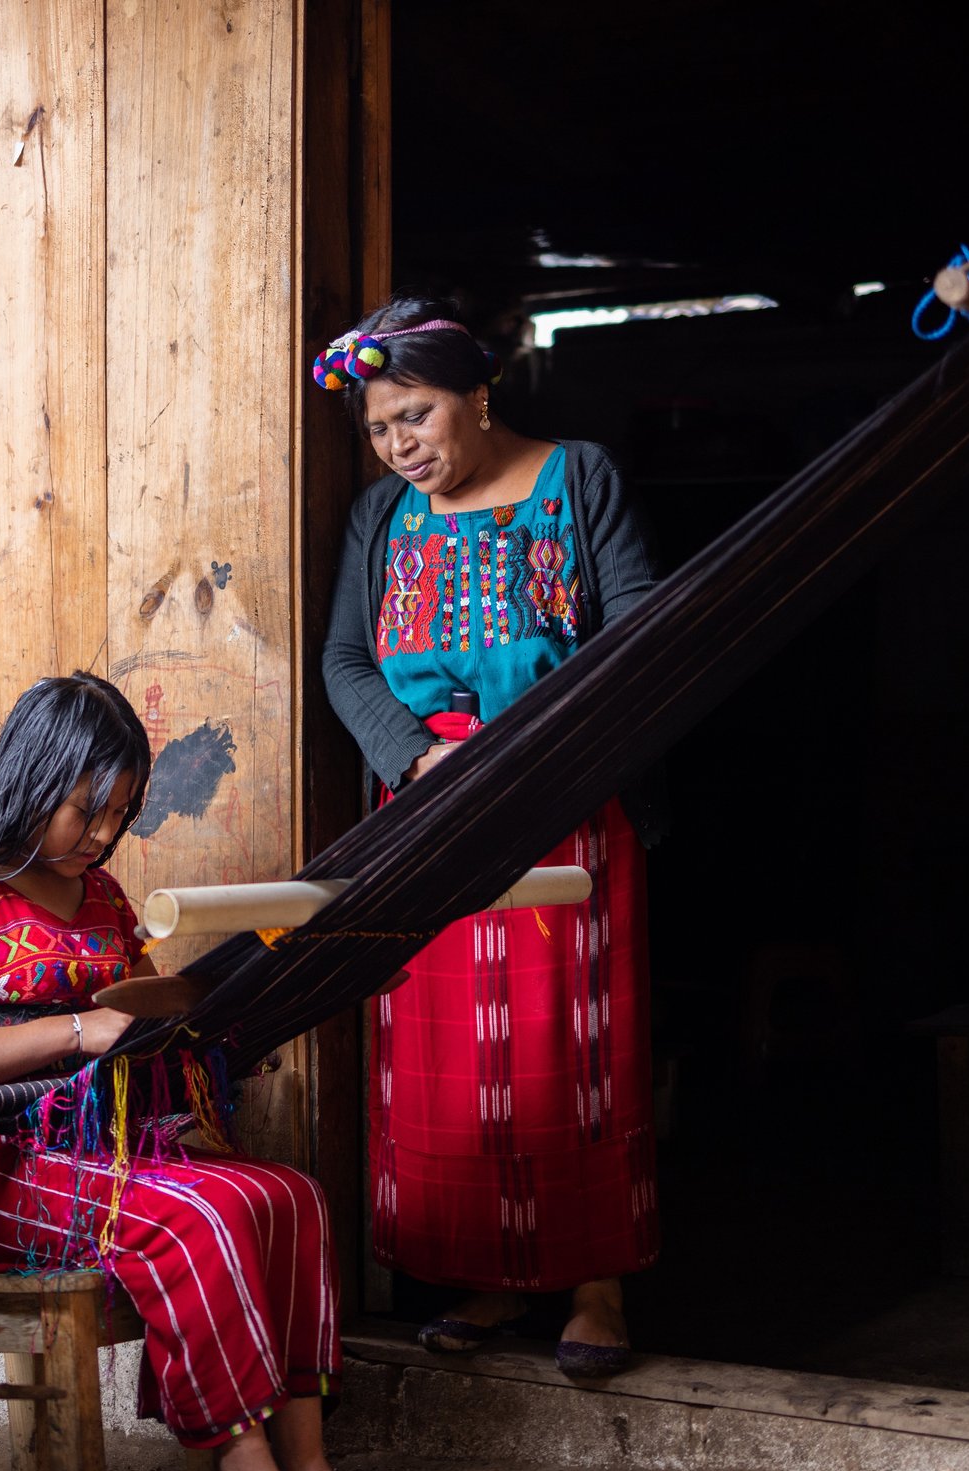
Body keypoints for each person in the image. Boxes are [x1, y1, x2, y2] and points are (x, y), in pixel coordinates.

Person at [0, 672, 419, 1471]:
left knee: (289, 1197)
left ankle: (310, 1465)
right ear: (29, 776)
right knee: (194, 1217)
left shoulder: (101, 896)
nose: (99, 835)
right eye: (85, 809)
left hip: (100, 1146)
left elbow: (141, 1016)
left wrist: (220, 1030)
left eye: (119, 815)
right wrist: (77, 1029)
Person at [316, 297, 660, 1379]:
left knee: (573, 1047)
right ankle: (487, 1275)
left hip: (561, 795)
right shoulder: (380, 517)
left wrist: (537, 752)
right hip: (425, 806)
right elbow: (346, 661)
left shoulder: (580, 477)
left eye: (415, 414)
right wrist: (419, 758)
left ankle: (592, 1283)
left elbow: (641, 626)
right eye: (380, 429)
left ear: (477, 394)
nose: (400, 444)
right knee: (454, 1059)